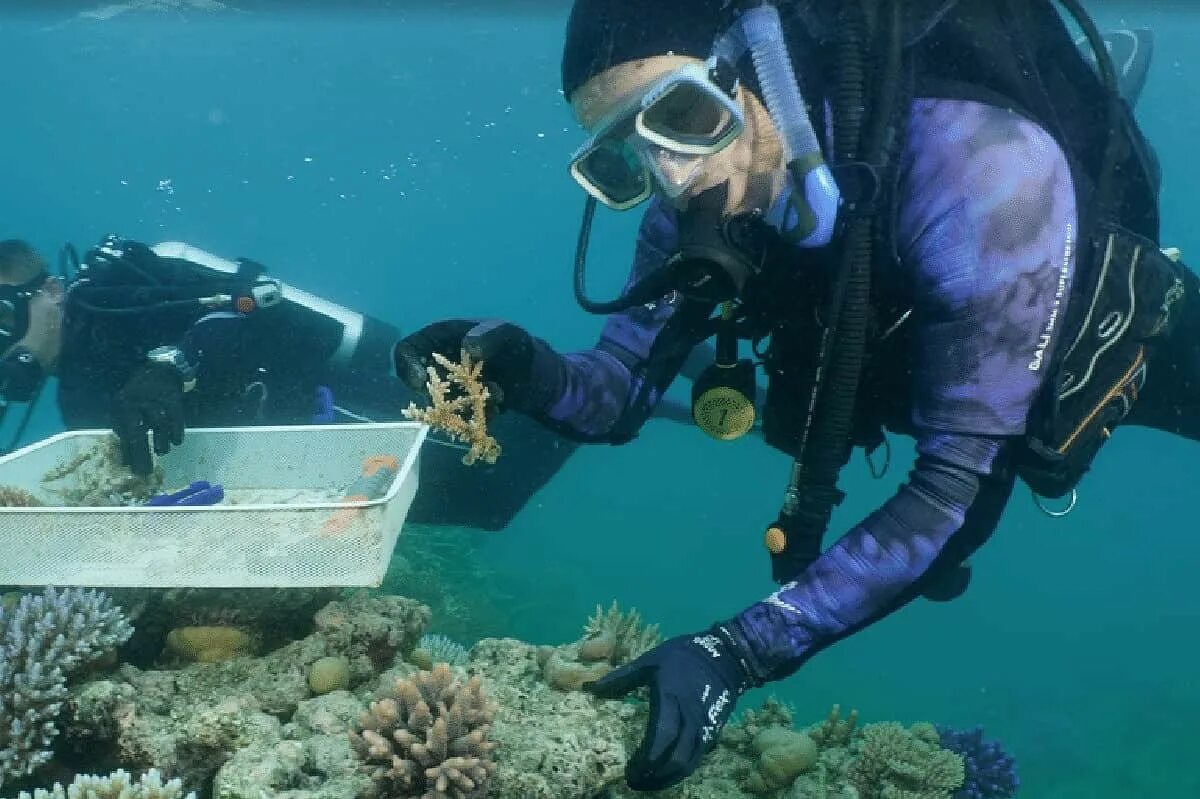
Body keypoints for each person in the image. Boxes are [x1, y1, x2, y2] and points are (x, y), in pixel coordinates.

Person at [393, 1, 1188, 791]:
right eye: (625, 156)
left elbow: (958, 491)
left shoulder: (984, 170)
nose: (673, 174)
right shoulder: (690, 194)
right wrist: (515, 362)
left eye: (679, 113)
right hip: (911, 350)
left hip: (1070, 318)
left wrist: (739, 650)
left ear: (755, 66)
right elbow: (614, 393)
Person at [0, 234, 712, 526]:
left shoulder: (135, 272)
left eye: (4, 321)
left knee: (495, 486)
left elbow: (257, 301)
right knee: (486, 507)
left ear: (51, 289)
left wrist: (169, 366)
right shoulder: (75, 405)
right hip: (294, 452)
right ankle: (622, 387)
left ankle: (627, 378)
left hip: (347, 377)